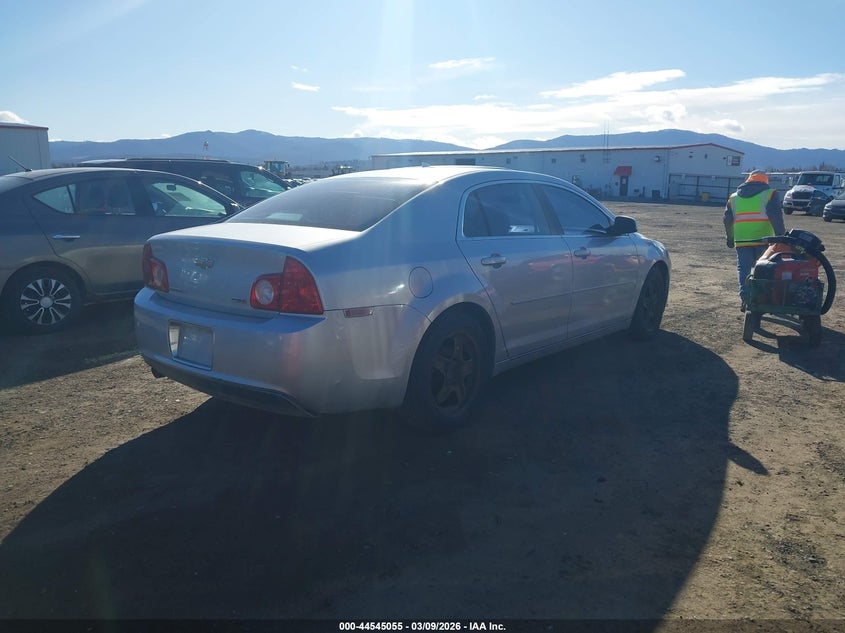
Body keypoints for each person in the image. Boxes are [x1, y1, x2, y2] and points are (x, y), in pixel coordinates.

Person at [724, 170, 785, 309]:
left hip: (741, 240)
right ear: (765, 182)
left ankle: (746, 299)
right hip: (765, 240)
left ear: (748, 180)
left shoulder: (733, 197)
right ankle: (764, 299)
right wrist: (781, 238)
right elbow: (776, 218)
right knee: (765, 270)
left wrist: (730, 238)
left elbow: (727, 220)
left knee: (744, 270)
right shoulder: (769, 194)